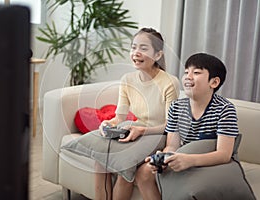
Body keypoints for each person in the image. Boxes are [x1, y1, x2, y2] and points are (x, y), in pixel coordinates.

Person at [136, 53, 239, 199]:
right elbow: (172, 145)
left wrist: (190, 160)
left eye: (196, 72)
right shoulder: (176, 107)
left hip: (213, 162)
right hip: (184, 157)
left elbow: (224, 155)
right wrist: (164, 158)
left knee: (189, 187)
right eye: (186, 72)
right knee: (143, 173)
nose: (188, 76)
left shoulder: (224, 109)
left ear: (214, 82)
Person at [95, 28, 180, 200]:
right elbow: (120, 117)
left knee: (124, 166)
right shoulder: (127, 79)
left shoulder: (170, 83)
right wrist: (109, 124)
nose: (136, 53)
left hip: (158, 134)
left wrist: (142, 131)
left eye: (143, 48)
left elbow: (171, 126)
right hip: (134, 132)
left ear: (157, 55)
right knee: (100, 161)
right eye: (133, 47)